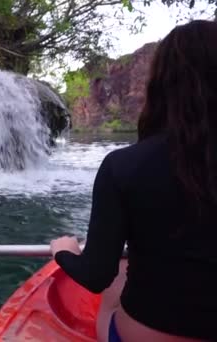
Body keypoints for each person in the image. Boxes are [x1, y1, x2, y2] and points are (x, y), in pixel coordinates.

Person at [50, 19, 217, 342]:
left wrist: (63, 251)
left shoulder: (123, 166)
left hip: (149, 334)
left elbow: (96, 275)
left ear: (161, 84)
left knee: (114, 285)